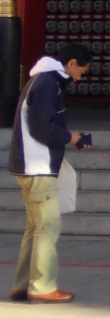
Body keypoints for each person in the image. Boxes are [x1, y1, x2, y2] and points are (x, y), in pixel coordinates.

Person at [8, 43, 91, 303]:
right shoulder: (47, 83)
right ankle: (43, 286)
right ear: (72, 63)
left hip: (30, 165)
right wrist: (70, 137)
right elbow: (42, 128)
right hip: (38, 166)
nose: (81, 76)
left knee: (35, 228)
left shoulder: (42, 80)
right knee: (48, 226)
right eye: (82, 70)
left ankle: (23, 285)